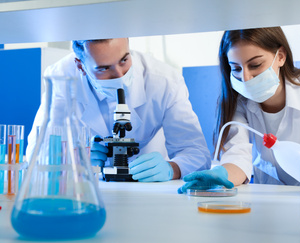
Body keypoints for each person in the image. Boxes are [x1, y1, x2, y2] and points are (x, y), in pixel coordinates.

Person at [178, 27, 300, 192]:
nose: (245, 78)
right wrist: (221, 175)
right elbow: (238, 157)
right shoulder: (239, 101)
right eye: (236, 68)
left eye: (255, 65)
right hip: (267, 201)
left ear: (280, 56)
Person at [27, 38, 211, 182]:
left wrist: (173, 168)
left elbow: (196, 153)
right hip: (88, 188)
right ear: (80, 65)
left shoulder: (164, 81)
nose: (119, 76)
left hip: (147, 189)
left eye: (124, 60)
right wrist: (73, 159)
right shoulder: (61, 79)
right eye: (104, 68)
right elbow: (36, 153)